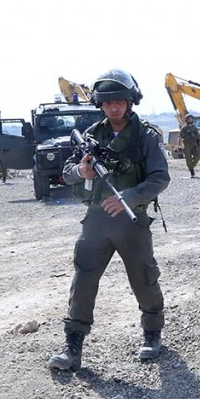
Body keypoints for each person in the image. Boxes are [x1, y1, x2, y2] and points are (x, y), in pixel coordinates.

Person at [47, 69, 170, 372]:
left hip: (132, 219)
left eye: (120, 101)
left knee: (143, 278)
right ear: (100, 105)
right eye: (108, 102)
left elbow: (160, 178)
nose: (114, 107)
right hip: (97, 221)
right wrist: (82, 171)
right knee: (83, 280)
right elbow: (66, 173)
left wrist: (128, 196)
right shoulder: (90, 137)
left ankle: (152, 334)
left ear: (130, 102)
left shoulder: (146, 137)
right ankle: (72, 347)